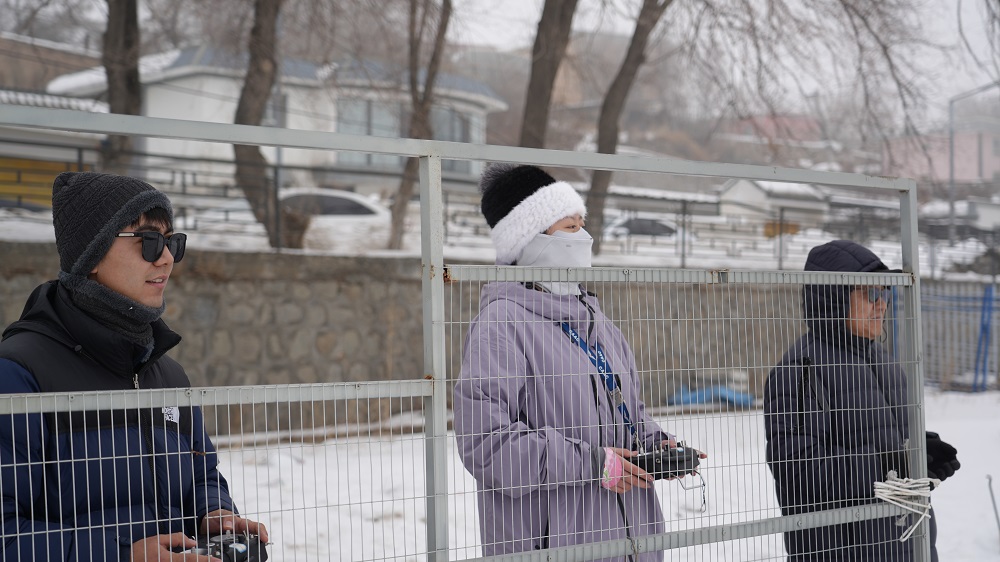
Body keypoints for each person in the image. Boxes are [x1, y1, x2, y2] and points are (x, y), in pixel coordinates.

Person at [0, 172, 268, 561]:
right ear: (89, 256)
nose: (165, 258)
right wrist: (122, 554)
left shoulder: (168, 374)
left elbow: (202, 476)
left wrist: (215, 513)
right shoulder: (20, 374)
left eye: (172, 242)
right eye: (148, 241)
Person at [453, 163, 703, 560]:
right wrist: (590, 462)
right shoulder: (501, 324)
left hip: (631, 538)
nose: (584, 236)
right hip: (552, 544)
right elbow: (486, 446)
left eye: (582, 224)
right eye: (570, 228)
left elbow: (628, 410)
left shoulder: (596, 321)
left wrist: (655, 445)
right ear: (528, 240)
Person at [763, 240, 960, 562]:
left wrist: (922, 454)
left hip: (909, 544)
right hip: (844, 550)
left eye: (885, 292)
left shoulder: (885, 361)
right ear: (834, 300)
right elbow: (796, 472)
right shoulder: (800, 372)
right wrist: (893, 465)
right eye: (870, 294)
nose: (881, 303)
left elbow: (880, 440)